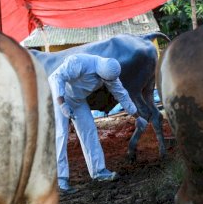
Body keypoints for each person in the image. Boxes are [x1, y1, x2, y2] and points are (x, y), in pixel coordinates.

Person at [48, 54, 148, 194]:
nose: (107, 82)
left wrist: (137, 116)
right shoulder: (79, 62)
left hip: (78, 100)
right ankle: (61, 179)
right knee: (61, 134)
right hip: (61, 97)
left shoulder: (110, 74)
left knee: (89, 131)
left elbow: (121, 94)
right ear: (99, 73)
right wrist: (62, 104)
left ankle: (98, 171)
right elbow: (55, 77)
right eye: (104, 80)